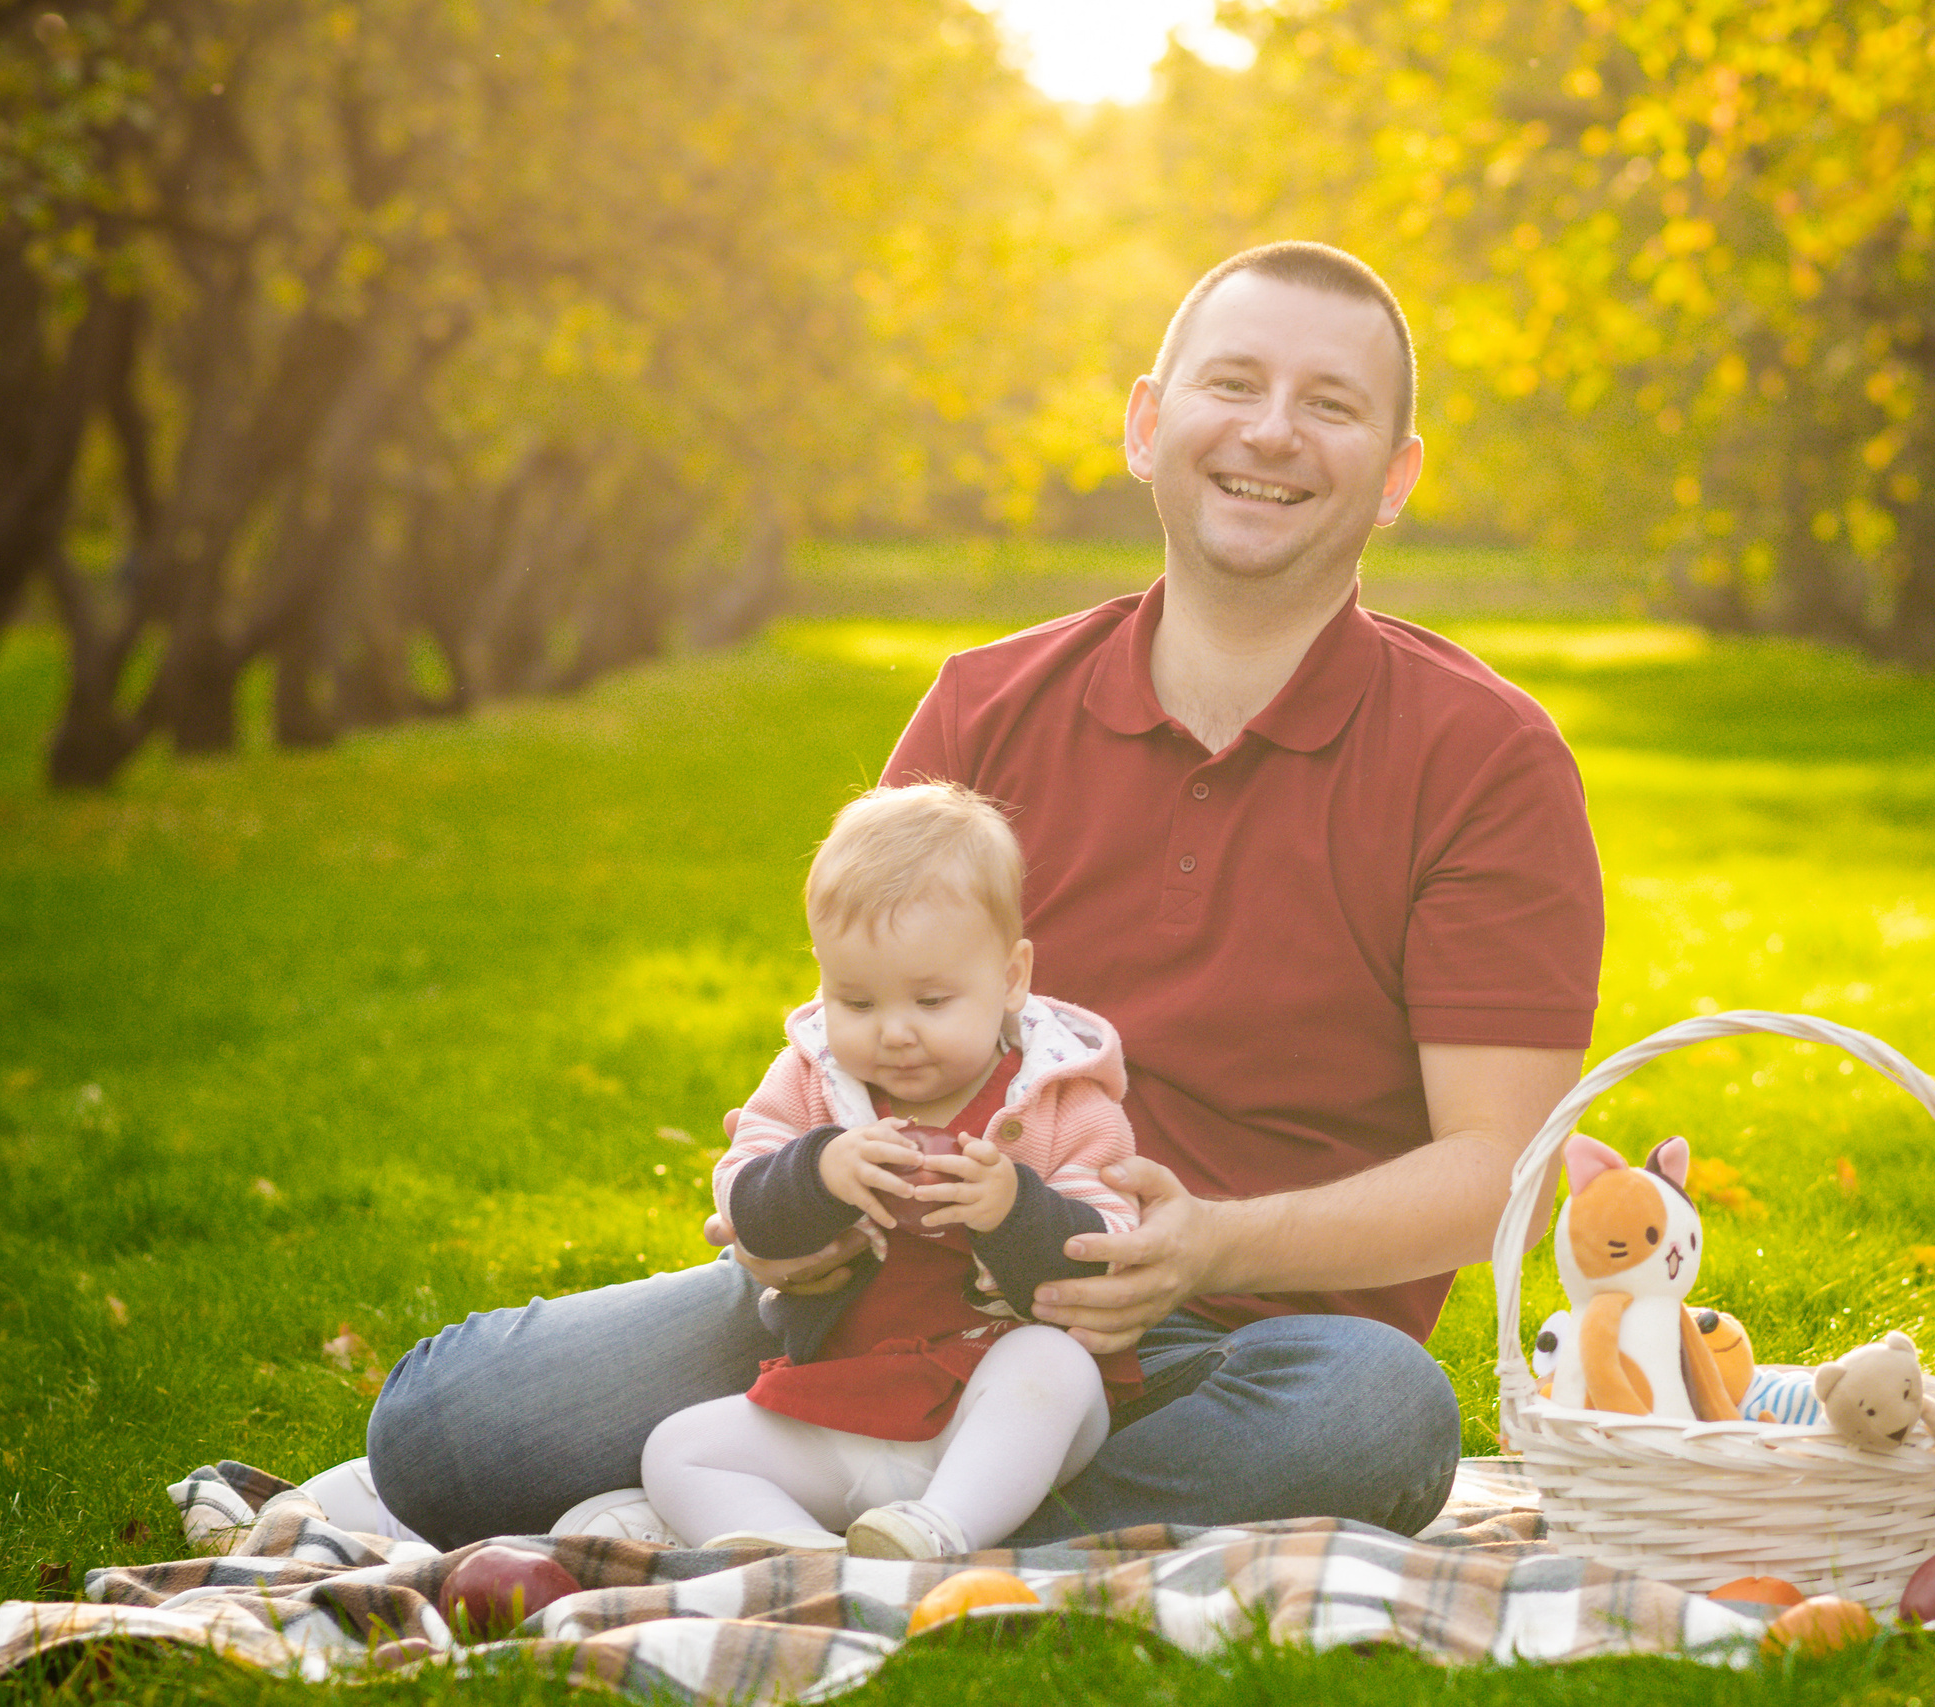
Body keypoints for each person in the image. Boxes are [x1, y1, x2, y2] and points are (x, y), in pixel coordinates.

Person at [356, 240, 1602, 1550]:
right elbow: (851, 1021)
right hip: (887, 1298)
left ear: (1397, 476)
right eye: (1232, 383)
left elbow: (1496, 1171)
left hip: (1225, 1340)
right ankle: (942, 1507)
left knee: (1379, 1413)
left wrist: (1206, 1247)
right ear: (1147, 422)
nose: (1271, 432)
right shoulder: (985, 703)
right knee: (441, 1427)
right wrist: (792, 1215)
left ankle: (872, 1514)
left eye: (1331, 405)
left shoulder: (1488, 758)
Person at [640, 782, 1142, 1560]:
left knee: (1055, 1366)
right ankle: (810, 1560)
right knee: (677, 1448)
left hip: (995, 1415)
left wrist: (1012, 1208)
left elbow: (1110, 1254)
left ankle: (942, 1530)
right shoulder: (812, 1081)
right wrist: (819, 1169)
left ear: (1012, 977)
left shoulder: (1062, 1101)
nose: (895, 1033)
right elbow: (744, 1201)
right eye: (857, 1000)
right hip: (845, 1406)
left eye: (932, 1000)